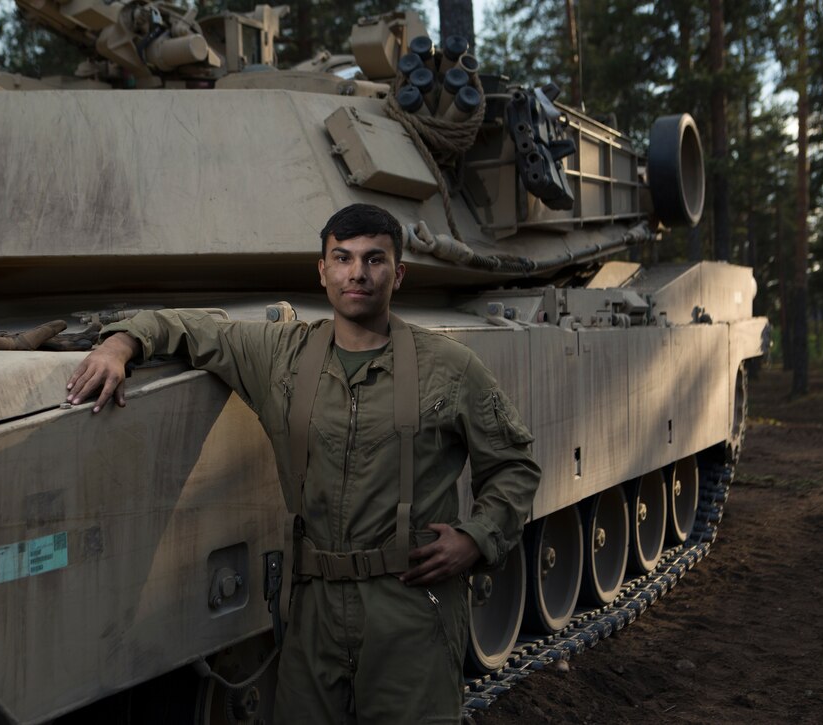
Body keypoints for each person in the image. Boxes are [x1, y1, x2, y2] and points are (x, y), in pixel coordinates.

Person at [65, 203, 541, 724]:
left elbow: (515, 464)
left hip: (410, 605)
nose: (357, 272)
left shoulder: (450, 368)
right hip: (312, 608)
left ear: (398, 273)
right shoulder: (281, 355)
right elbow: (189, 327)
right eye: (342, 258)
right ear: (322, 270)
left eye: (374, 259)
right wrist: (121, 343)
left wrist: (476, 537)